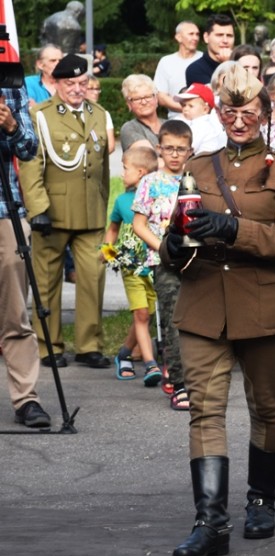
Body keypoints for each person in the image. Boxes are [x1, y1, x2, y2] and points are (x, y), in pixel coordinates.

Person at [160, 64, 275, 556]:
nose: (238, 120)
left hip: (265, 304)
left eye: (248, 111)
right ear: (219, 114)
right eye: (230, 111)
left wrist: (231, 227)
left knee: (267, 408)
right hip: (203, 302)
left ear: (264, 113)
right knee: (204, 410)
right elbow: (175, 238)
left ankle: (262, 501)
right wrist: (174, 246)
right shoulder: (199, 167)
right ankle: (211, 524)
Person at [20, 54, 111, 370]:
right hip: (52, 211)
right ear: (56, 83)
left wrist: (103, 204)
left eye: (82, 83)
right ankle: (49, 346)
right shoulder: (39, 115)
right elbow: (31, 164)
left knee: (92, 277)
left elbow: (102, 167)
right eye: (69, 83)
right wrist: (38, 208)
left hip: (90, 212)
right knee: (46, 281)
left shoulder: (97, 113)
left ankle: (89, 345)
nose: (76, 89)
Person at [131, 120, 195, 412]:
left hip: (195, 260)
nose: (174, 154)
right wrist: (163, 248)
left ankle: (198, 379)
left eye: (180, 149)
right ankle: (180, 383)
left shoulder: (195, 181)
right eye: (168, 148)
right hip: (164, 261)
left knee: (198, 322)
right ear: (159, 149)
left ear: (189, 151)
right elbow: (139, 224)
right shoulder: (150, 182)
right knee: (173, 321)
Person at [0, 85, 51, 429]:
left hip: (4, 213)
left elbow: (30, 149)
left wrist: (11, 126)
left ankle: (26, 399)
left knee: (15, 311)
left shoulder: (9, 90)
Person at [102, 146, 162, 386]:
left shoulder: (158, 198)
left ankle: (124, 354)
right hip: (131, 267)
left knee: (146, 315)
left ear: (140, 172)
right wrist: (107, 251)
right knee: (140, 314)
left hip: (154, 265)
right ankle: (150, 365)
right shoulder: (122, 201)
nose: (121, 174)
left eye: (125, 169)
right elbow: (113, 228)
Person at [154, 21, 203, 120]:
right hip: (175, 120)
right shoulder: (166, 62)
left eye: (197, 34)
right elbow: (161, 97)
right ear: (178, 37)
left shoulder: (204, 59)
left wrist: (197, 111)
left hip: (204, 119)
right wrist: (187, 109)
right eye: (191, 34)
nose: (195, 38)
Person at [173, 83, 225, 155]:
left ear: (205, 110)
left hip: (206, 162)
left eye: (191, 106)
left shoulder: (203, 125)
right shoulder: (187, 120)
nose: (185, 109)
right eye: (184, 105)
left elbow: (188, 146)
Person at [185, 14, 235, 85]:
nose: (225, 40)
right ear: (206, 37)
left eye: (229, 36)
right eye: (219, 35)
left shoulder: (242, 63)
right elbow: (219, 93)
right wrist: (227, 65)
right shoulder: (195, 69)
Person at [119, 75, 165, 151]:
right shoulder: (129, 128)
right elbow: (149, 158)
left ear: (156, 98)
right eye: (137, 99)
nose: (143, 102)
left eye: (148, 97)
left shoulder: (170, 124)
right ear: (129, 104)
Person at [84, 74, 115, 153]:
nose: (95, 92)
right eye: (90, 89)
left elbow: (111, 146)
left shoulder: (104, 114)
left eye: (97, 89)